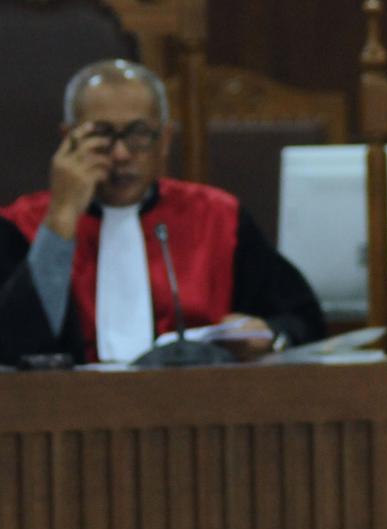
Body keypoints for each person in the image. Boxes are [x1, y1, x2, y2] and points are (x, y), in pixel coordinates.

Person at [0, 59, 325, 366]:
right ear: (67, 139)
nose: (121, 153)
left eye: (138, 134)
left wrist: (270, 336)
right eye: (101, 135)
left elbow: (303, 319)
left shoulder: (217, 217)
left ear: (165, 139)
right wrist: (62, 216)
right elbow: (13, 344)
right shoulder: (21, 224)